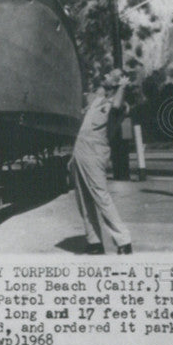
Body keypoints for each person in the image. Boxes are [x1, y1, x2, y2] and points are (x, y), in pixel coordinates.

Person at [69, 69, 133, 255]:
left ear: (118, 81)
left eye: (109, 74)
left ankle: (123, 240)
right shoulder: (99, 100)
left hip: (95, 150)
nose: (104, 76)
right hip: (80, 150)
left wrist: (122, 86)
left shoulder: (120, 104)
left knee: (100, 195)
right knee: (83, 197)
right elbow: (92, 99)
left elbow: (117, 106)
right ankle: (94, 241)